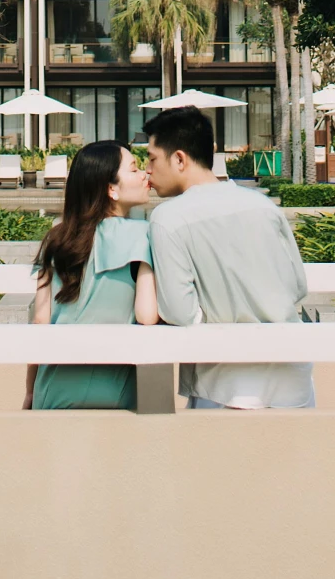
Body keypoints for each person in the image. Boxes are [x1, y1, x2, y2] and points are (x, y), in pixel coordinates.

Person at [144, 106, 313, 410]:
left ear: (179, 159)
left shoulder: (168, 219)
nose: (148, 169)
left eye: (152, 158)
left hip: (222, 383)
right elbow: (297, 286)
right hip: (291, 376)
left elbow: (180, 312)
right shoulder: (262, 206)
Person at [24, 139, 158, 410]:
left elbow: (41, 320)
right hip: (114, 392)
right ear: (111, 189)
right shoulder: (143, 235)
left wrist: (29, 391)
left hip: (52, 390)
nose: (145, 174)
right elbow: (146, 316)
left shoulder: (57, 238)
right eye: (134, 169)